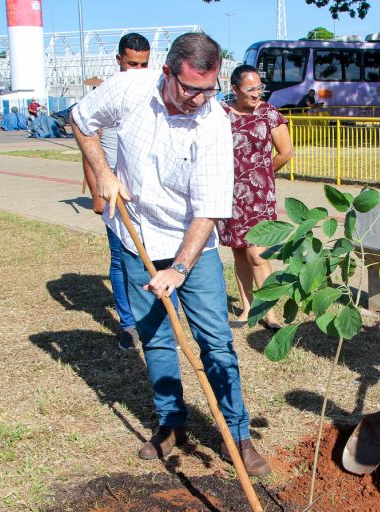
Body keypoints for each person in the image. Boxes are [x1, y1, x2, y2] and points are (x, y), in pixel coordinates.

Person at [70, 32, 271, 475]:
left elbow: (210, 211)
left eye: (209, 89)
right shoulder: (129, 88)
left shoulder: (215, 123)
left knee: (215, 342)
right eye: (190, 88)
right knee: (157, 337)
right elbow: (81, 119)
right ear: (166, 72)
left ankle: (237, 433)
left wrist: (179, 269)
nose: (200, 99)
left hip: (191, 246)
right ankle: (171, 423)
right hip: (134, 236)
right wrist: (102, 173)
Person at [80, 32, 151, 350]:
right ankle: (128, 325)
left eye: (144, 64)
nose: (138, 69)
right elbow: (85, 142)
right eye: (132, 63)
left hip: (148, 193)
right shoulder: (104, 94)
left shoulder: (152, 91)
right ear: (119, 59)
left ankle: (156, 321)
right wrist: (97, 191)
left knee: (156, 258)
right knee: (122, 259)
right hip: (114, 194)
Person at [217, 64, 294, 330]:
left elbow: (285, 152)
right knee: (239, 253)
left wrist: (260, 173)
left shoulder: (270, 114)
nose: (256, 94)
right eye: (250, 89)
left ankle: (269, 313)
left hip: (259, 195)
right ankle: (248, 309)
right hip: (229, 195)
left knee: (258, 254)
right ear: (235, 88)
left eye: (259, 88)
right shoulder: (221, 113)